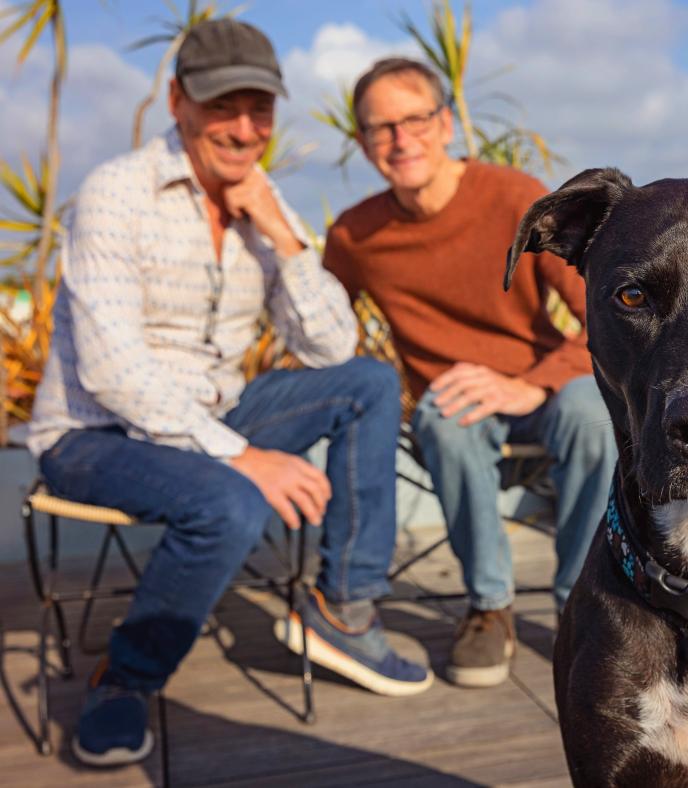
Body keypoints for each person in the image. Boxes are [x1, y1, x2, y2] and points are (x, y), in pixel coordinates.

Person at [28, 21, 432, 768]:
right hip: (93, 434)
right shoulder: (117, 192)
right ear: (178, 101)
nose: (245, 129)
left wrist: (283, 236)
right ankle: (123, 679)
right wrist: (243, 456)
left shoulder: (261, 199)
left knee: (369, 382)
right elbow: (111, 371)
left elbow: (331, 348)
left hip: (211, 417)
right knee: (230, 501)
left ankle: (342, 609)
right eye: (223, 106)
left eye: (260, 108)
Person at [323, 57, 617, 689]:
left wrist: (530, 382)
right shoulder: (354, 235)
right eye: (381, 128)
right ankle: (490, 607)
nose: (401, 140)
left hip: (541, 381)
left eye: (415, 119)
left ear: (447, 122)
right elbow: (321, 333)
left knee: (592, 412)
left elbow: (601, 314)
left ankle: (581, 603)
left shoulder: (512, 195)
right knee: (445, 417)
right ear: (362, 143)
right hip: (455, 401)